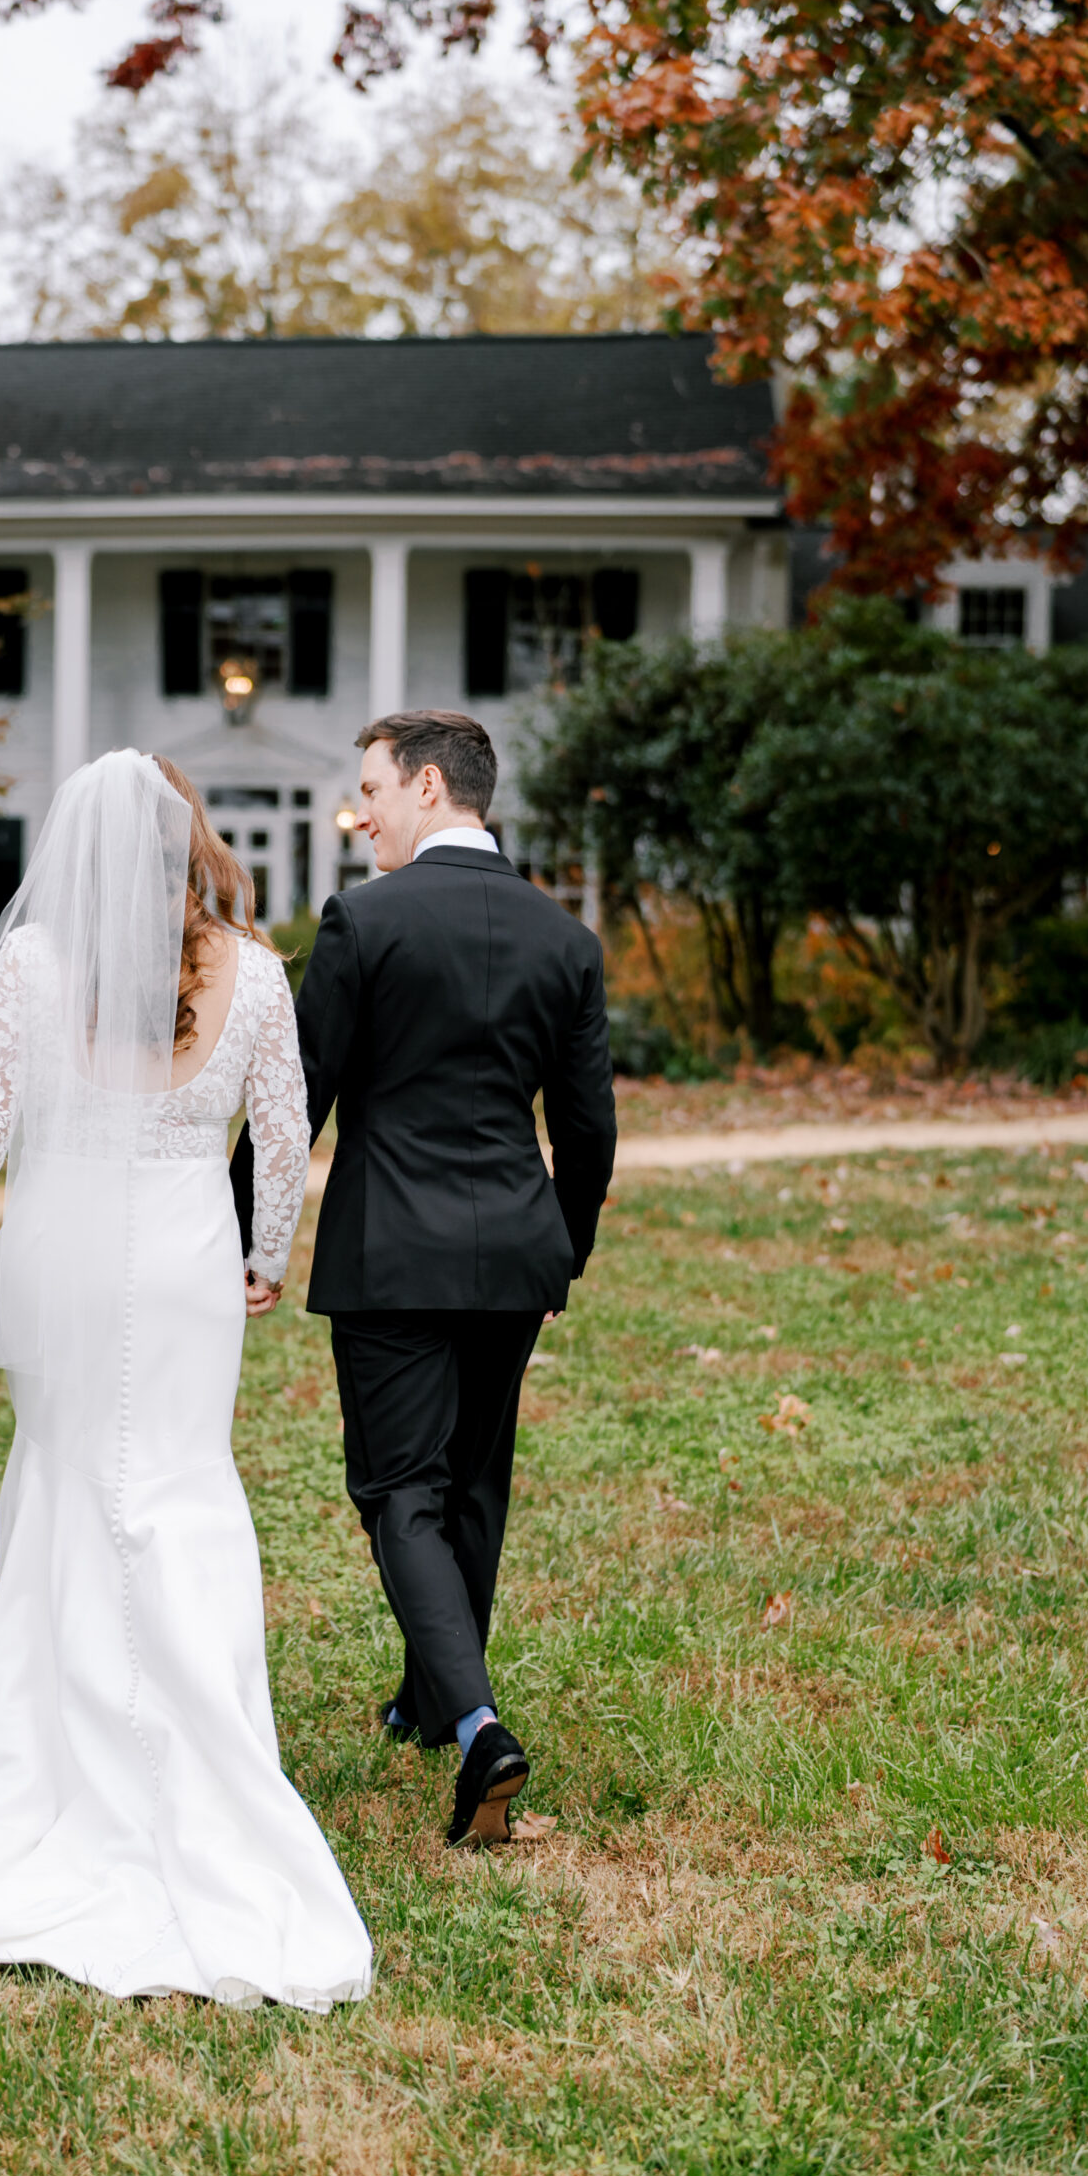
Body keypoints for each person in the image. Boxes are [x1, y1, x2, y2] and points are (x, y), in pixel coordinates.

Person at [0, 750, 371, 2012]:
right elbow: (288, 1135)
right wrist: (261, 1251)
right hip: (187, 1265)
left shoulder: (32, 965)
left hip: (68, 1264)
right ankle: (207, 1739)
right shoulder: (259, 974)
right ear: (190, 842)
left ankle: (82, 1757)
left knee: (74, 1489)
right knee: (181, 1486)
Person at [232, 710, 616, 1849]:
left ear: (433, 789)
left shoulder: (366, 920)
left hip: (392, 1253)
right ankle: (424, 1696)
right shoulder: (565, 939)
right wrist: (567, 1246)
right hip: (515, 1252)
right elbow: (588, 1130)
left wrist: (244, 1226)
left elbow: (294, 1101)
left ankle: (479, 1724)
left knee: (400, 1491)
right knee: (472, 1484)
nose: (364, 816)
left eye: (373, 792)